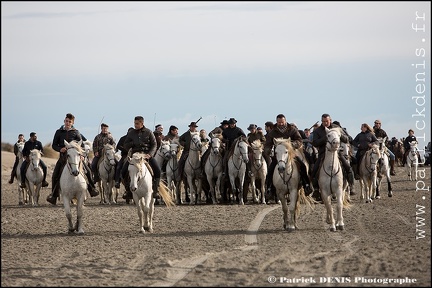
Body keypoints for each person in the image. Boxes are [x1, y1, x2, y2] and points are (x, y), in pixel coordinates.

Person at [47, 113, 99, 205]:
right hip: (63, 158)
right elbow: (54, 145)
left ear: (72, 123)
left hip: (76, 158)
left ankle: (92, 189)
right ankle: (54, 195)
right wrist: (60, 149)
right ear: (64, 121)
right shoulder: (58, 132)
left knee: (88, 171)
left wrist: (82, 155)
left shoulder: (76, 132)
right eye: (66, 121)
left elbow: (82, 145)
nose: (68, 123)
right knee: (55, 175)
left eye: (69, 121)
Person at [264, 114, 312, 197]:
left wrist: (292, 145)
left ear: (285, 121)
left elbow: (299, 140)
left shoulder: (292, 129)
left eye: (282, 122)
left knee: (302, 165)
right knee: (270, 169)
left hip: (291, 154)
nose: (281, 124)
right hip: (279, 156)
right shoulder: (273, 132)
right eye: (279, 122)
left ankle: (306, 185)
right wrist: (268, 150)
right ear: (277, 122)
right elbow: (267, 144)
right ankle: (269, 188)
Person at [311, 114, 354, 200]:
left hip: (337, 152)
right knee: (314, 170)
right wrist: (325, 138)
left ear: (330, 120)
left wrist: (339, 135)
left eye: (327, 121)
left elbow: (347, 139)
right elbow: (315, 143)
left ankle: (351, 185)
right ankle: (316, 189)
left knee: (348, 167)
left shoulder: (337, 128)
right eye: (323, 121)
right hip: (323, 153)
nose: (325, 123)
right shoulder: (317, 131)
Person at [122, 116, 161, 200]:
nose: (135, 125)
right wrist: (132, 143)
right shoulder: (131, 133)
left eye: (137, 123)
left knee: (157, 170)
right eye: (134, 123)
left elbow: (154, 145)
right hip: (135, 156)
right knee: (123, 171)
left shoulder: (149, 132)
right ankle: (128, 191)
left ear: (142, 123)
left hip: (146, 155)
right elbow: (125, 145)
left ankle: (156, 190)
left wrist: (150, 154)